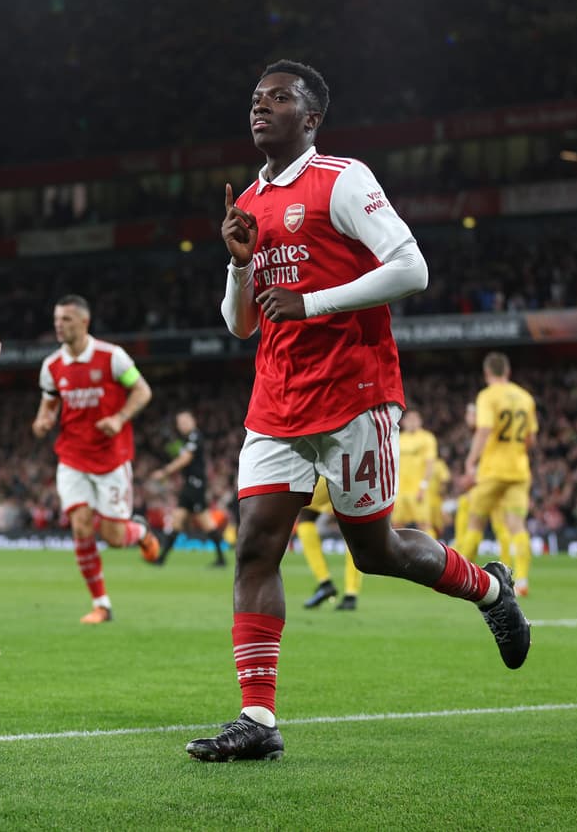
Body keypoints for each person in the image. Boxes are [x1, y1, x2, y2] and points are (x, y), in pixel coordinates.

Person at [186, 60, 530, 763]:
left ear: (311, 118)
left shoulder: (342, 179)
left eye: (279, 98)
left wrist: (313, 302)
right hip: (276, 399)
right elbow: (241, 325)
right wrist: (239, 263)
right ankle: (258, 717)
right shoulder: (248, 200)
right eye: (255, 98)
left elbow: (412, 268)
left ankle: (490, 589)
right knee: (255, 546)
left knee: (375, 552)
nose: (260, 107)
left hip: (354, 395)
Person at [32, 294, 161, 624]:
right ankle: (101, 604)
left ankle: (141, 532)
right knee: (81, 526)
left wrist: (119, 418)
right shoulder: (52, 366)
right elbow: (49, 404)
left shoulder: (112, 357)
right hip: (72, 457)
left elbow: (142, 391)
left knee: (114, 538)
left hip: (111, 459)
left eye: (66, 319)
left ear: (84, 322)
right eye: (57, 319)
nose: (59, 325)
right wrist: (43, 421)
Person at [455, 354, 537, 597]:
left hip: (492, 471)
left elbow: (484, 430)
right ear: (508, 371)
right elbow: (531, 439)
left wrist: (471, 461)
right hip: (519, 470)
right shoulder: (525, 397)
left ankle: (460, 579)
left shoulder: (488, 396)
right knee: (517, 525)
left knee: (475, 522)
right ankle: (522, 581)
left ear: (487, 373)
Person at [149, 410, 229, 567]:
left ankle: (221, 559)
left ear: (193, 421)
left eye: (185, 421)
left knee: (206, 522)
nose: (182, 425)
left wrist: (164, 472)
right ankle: (161, 559)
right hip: (189, 485)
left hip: (196, 485)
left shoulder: (195, 437)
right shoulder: (186, 439)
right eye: (180, 422)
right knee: (177, 521)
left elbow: (185, 459)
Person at [453, 402, 512, 563]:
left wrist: (473, 476)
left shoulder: (484, 436)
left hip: (485, 487)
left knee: (471, 524)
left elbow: (488, 463)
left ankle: (463, 563)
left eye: (470, 414)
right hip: (496, 486)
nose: (468, 418)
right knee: (501, 528)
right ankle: (507, 566)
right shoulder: (490, 434)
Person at [295, 477, 362, 611]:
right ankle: (351, 594)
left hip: (329, 474)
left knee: (306, 517)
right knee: (354, 526)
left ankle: (324, 582)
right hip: (358, 478)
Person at [392, 409, 437, 536]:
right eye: (409, 419)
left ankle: (431, 548)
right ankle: (399, 549)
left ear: (420, 421)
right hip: (400, 491)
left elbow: (430, 464)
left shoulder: (427, 438)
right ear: (403, 422)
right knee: (397, 525)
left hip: (418, 489)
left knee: (424, 524)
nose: (412, 422)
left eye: (415, 419)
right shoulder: (398, 438)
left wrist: (423, 486)